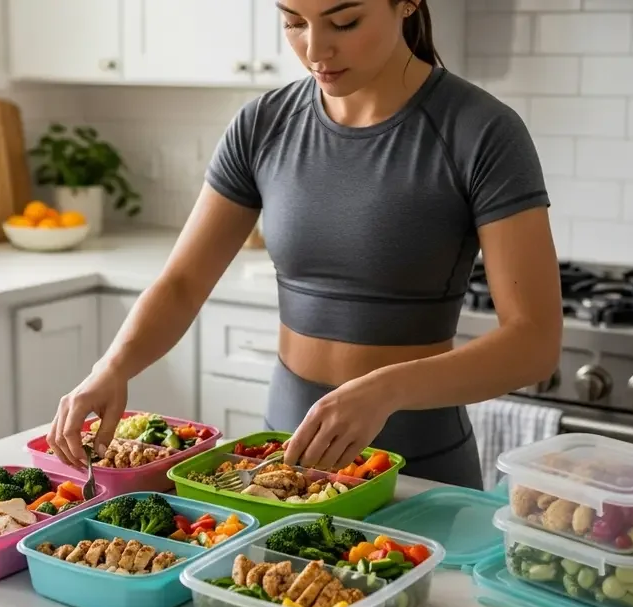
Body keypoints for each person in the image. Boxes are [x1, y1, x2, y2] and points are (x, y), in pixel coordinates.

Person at [46, 0, 563, 490]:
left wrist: (387, 389)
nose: (316, 49)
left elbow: (533, 343)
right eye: (294, 22)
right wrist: (111, 367)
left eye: (344, 23)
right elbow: (182, 283)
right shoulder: (263, 125)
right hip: (282, 459)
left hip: (418, 470)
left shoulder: (481, 132)